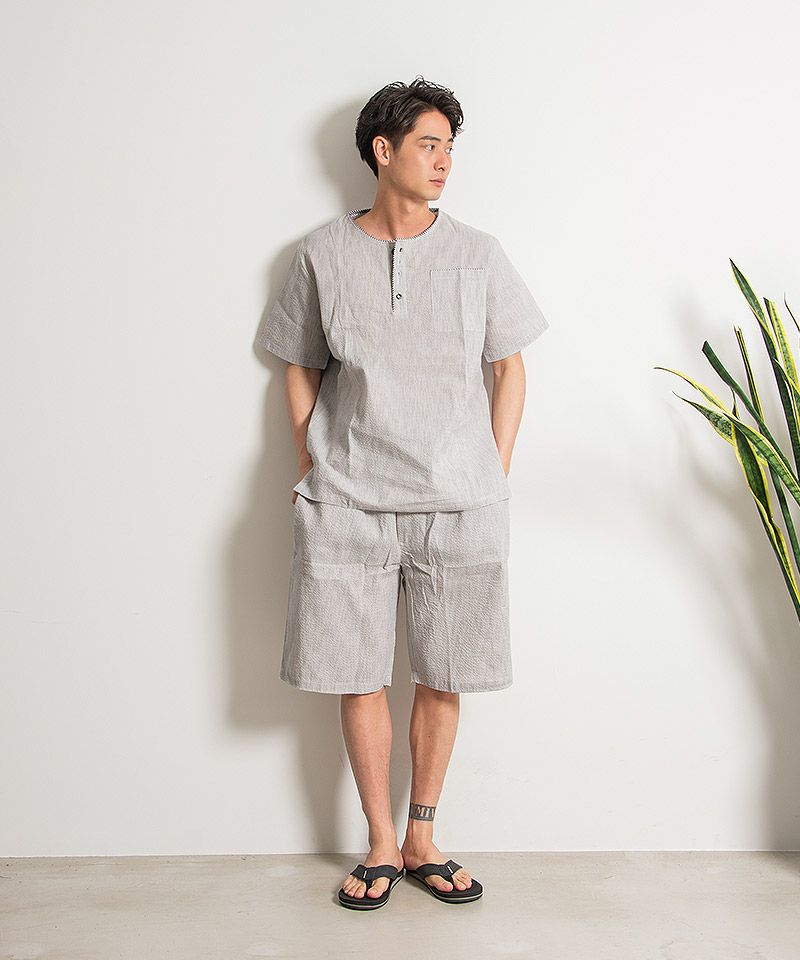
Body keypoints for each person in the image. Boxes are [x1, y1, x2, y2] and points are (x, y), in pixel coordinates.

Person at [258, 76, 550, 910]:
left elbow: (510, 368)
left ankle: (423, 834)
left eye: (451, 148)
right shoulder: (319, 254)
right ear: (382, 151)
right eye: (429, 144)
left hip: (458, 501)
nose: (445, 161)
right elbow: (298, 364)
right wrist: (312, 467)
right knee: (356, 674)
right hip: (348, 500)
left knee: (444, 672)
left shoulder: (479, 254)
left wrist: (491, 471)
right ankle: (381, 843)